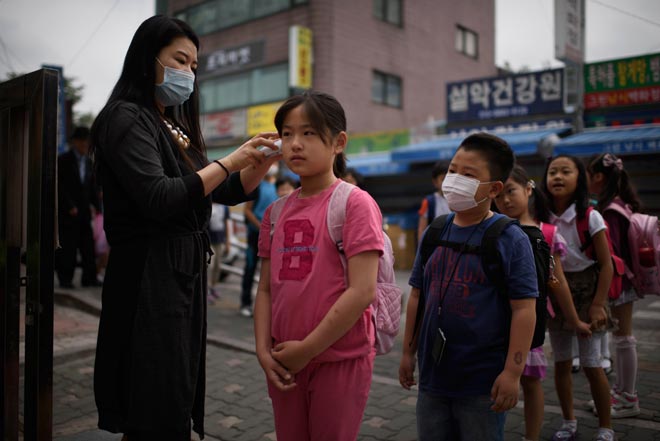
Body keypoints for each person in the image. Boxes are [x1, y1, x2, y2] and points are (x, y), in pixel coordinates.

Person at [90, 15, 281, 441]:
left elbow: (225, 189)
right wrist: (231, 160)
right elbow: (160, 196)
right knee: (154, 394)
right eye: (180, 60)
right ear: (147, 58)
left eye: (194, 66)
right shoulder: (125, 117)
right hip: (148, 276)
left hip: (180, 274)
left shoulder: (173, 124)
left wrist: (258, 163)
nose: (188, 73)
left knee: (175, 388)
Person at [254, 91, 383, 441]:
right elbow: (265, 288)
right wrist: (264, 352)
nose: (295, 144)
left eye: (309, 133)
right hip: (284, 362)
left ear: (338, 142)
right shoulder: (275, 212)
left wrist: (307, 349)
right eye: (287, 134)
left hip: (340, 360)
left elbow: (362, 291)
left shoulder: (355, 203)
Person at [399, 133, 538, 441]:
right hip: (433, 378)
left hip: (482, 382)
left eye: (468, 174)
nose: (453, 180)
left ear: (494, 188)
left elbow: (524, 309)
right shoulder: (435, 231)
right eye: (452, 170)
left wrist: (513, 373)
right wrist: (408, 353)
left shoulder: (510, 239)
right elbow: (417, 296)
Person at [494, 165, 592, 441]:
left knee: (530, 381)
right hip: (494, 320)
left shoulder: (546, 233)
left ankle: (531, 437)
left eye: (511, 191)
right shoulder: (493, 231)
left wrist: (574, 320)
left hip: (531, 322)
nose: (505, 201)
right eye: (499, 196)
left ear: (529, 189)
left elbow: (556, 282)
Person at [541, 155, 616, 441]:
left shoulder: (591, 216)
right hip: (556, 288)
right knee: (561, 361)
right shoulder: (543, 216)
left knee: (592, 363)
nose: (557, 177)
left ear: (580, 178)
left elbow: (606, 264)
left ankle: (605, 426)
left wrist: (598, 303)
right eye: (552, 172)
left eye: (565, 171)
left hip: (589, 290)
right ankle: (568, 422)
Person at [587, 153, 643, 418]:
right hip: (626, 280)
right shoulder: (618, 203)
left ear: (598, 176)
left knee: (624, 339)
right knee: (622, 339)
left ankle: (628, 398)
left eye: (589, 173)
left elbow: (614, 254)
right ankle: (620, 393)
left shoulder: (609, 209)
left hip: (622, 281)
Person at [55, 126, 102, 289]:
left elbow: (92, 187)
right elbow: (59, 187)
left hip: (84, 212)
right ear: (75, 142)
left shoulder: (89, 162)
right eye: (83, 142)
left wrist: (98, 207)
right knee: (68, 247)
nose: (85, 145)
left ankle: (89, 278)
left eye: (87, 142)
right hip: (68, 212)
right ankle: (65, 279)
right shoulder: (63, 160)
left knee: (88, 247)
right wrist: (69, 205)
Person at [239, 165, 278, 317]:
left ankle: (268, 307)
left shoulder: (277, 185)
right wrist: (262, 227)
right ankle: (245, 303)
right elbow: (247, 210)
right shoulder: (257, 186)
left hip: (273, 235)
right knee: (250, 268)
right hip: (255, 235)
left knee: (270, 272)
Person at [417, 161, 450, 243]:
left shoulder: (459, 200)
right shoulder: (428, 202)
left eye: (449, 179)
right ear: (435, 182)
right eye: (443, 179)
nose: (447, 183)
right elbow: (422, 229)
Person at [207, 202, 230, 302]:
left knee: (218, 265)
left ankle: (213, 287)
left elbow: (226, 223)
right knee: (210, 266)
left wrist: (228, 241)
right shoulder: (207, 204)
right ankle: (206, 290)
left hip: (219, 239)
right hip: (209, 240)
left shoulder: (224, 206)